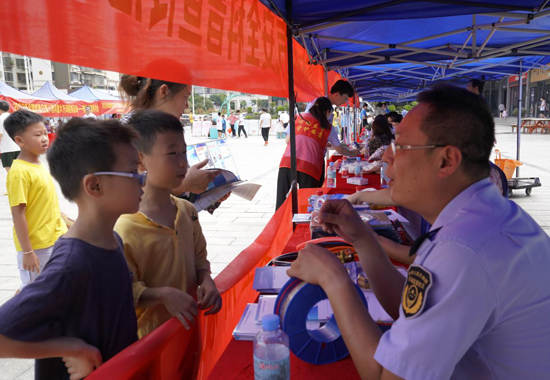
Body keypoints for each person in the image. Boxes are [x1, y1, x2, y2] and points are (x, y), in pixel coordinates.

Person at [287, 84, 550, 379]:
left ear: (446, 161)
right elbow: (408, 307)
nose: (386, 157)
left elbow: (384, 376)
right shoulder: (480, 215)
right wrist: (361, 237)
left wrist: (332, 278)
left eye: (401, 146)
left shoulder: (464, 249)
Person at [0, 117, 141, 380]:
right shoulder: (73, 263)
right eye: (134, 172)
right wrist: (70, 348)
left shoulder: (113, 240)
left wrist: (159, 296)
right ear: (94, 185)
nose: (143, 180)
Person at [115, 110, 221, 339]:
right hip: (151, 341)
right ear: (140, 160)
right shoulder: (125, 229)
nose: (184, 162)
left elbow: (200, 260)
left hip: (190, 331)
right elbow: (123, 291)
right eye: (172, 153)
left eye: (184, 151)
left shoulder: (187, 211)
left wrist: (206, 279)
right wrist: (162, 295)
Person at [118, 75, 221, 198]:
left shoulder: (165, 129)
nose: (187, 105)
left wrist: (207, 193)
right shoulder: (125, 134)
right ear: (164, 91)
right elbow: (127, 193)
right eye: (185, 97)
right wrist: (183, 185)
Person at [3, 110, 68, 290]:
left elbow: (45, 203)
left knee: (53, 287)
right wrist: (28, 252)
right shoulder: (19, 173)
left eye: (45, 133)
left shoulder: (39, 165)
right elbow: (18, 214)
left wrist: (67, 221)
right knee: (36, 292)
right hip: (37, 246)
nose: (44, 138)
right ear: (19, 141)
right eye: (38, 135)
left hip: (54, 238)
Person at [276, 97, 358, 209]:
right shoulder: (327, 127)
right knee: (307, 203)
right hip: (309, 167)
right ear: (328, 111)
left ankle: (280, 225)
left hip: (288, 162)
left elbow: (288, 141)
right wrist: (355, 153)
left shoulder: (299, 117)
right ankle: (303, 225)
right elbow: (340, 149)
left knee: (281, 202)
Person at [0, 100, 21, 174]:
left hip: (6, 148)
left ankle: (14, 184)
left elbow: (0, 134)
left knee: (9, 170)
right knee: (18, 169)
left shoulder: (1, 118)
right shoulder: (13, 117)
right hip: (17, 147)